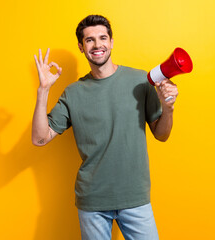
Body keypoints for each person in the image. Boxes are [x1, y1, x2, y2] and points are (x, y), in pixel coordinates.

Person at [32, 15, 178, 240]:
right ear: (81, 47)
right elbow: (40, 138)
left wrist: (168, 109)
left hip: (135, 197)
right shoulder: (73, 93)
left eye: (102, 38)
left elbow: (162, 134)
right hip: (93, 201)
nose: (97, 44)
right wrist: (43, 90)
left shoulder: (142, 81)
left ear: (111, 42)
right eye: (90, 40)